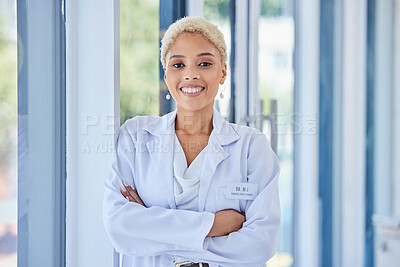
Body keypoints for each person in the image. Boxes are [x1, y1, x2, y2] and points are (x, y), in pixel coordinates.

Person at [103, 16, 280, 267]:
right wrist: (213, 225)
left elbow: (260, 243)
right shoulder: (135, 136)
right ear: (165, 74)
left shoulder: (251, 147)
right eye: (178, 65)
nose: (191, 75)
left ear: (223, 72)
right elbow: (118, 226)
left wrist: (151, 229)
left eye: (204, 63)